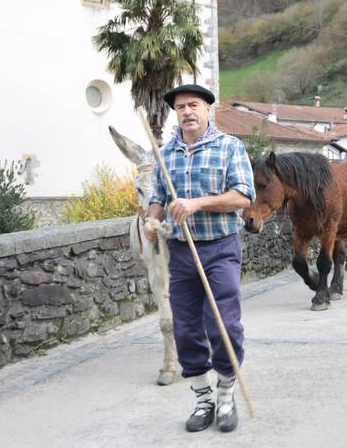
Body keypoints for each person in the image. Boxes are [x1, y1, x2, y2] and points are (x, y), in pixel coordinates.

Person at [143, 84, 255, 433]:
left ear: (209, 110)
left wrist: (196, 204)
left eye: (194, 105)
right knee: (187, 329)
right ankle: (203, 399)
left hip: (220, 247)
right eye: (180, 107)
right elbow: (158, 196)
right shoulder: (166, 154)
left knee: (224, 324)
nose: (187, 111)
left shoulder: (229, 148)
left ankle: (225, 395)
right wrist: (152, 218)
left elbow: (243, 197)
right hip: (180, 253)